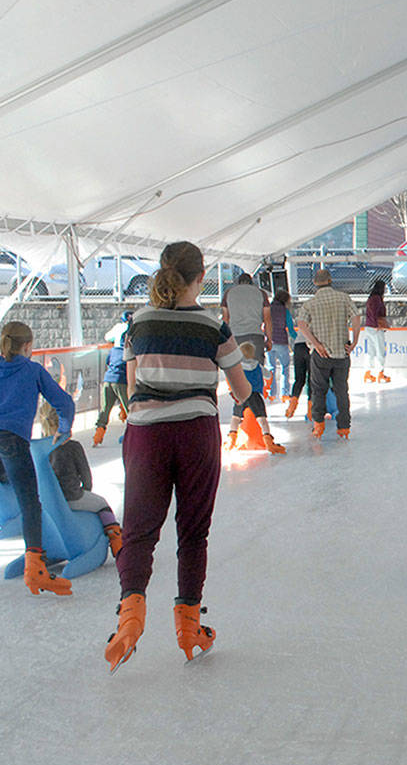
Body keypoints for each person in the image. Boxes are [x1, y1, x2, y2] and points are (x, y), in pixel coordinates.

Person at [104, 241, 252, 672]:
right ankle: (189, 627)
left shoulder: (139, 323)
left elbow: (133, 389)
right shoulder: (213, 325)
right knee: (192, 532)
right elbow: (242, 390)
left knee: (138, 531)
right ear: (200, 276)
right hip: (196, 434)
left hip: (147, 435)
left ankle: (130, 618)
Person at [0, 321, 77, 596]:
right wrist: (65, 429)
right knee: (30, 504)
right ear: (28, 346)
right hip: (12, 442)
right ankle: (36, 570)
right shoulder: (32, 370)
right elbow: (64, 402)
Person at [36, 400, 121, 555]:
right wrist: (86, 491)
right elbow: (86, 477)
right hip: (73, 497)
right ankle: (116, 540)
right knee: (103, 504)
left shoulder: (40, 450)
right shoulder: (73, 447)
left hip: (49, 503)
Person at [297, 268, 361, 441]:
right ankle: (344, 427)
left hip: (321, 354)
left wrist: (316, 344)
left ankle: (318, 425)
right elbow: (356, 317)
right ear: (330, 280)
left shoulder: (310, 304)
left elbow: (301, 323)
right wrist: (354, 341)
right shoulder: (343, 298)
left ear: (315, 283)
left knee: (318, 390)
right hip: (342, 352)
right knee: (341, 390)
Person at [226, 342, 286, 454]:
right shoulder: (257, 365)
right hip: (255, 395)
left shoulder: (238, 366)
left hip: (241, 394)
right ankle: (268, 442)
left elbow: (231, 378)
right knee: (262, 419)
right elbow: (268, 375)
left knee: (235, 418)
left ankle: (231, 441)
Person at [93, 311, 132, 447]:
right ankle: (131, 434)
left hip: (108, 379)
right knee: (130, 409)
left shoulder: (113, 350)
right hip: (122, 381)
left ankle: (98, 435)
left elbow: (108, 361)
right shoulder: (129, 350)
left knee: (105, 409)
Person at [221, 272, 271, 365]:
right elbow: (267, 319)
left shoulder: (228, 293)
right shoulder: (261, 293)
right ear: (251, 282)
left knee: (237, 369)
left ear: (238, 282)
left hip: (235, 336)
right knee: (257, 368)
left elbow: (225, 319)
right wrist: (269, 339)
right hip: (256, 335)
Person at [361, 280, 391, 384]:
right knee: (380, 350)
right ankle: (380, 373)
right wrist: (378, 325)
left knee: (371, 350)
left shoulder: (371, 298)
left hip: (369, 326)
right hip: (375, 328)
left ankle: (368, 373)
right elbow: (376, 313)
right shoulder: (377, 299)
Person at [285, 301, 310, 419]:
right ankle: (311, 411)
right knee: (312, 380)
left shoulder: (303, 319)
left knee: (299, 379)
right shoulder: (317, 317)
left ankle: (292, 406)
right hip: (310, 346)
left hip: (298, 346)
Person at [267, 290, 294, 400]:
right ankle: (285, 393)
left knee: (271, 368)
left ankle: (272, 394)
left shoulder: (267, 309)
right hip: (282, 341)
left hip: (269, 341)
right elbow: (291, 329)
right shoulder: (285, 311)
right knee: (285, 367)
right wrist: (298, 339)